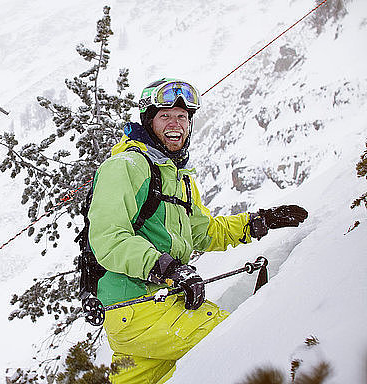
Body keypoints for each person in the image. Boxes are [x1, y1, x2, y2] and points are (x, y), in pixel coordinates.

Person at [87, 78, 308, 383]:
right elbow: (108, 238)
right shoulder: (126, 166)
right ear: (149, 121)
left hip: (157, 305)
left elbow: (204, 232)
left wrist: (259, 221)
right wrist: (166, 267)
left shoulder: (179, 176)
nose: (175, 123)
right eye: (165, 116)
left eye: (182, 117)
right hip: (139, 308)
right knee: (236, 344)